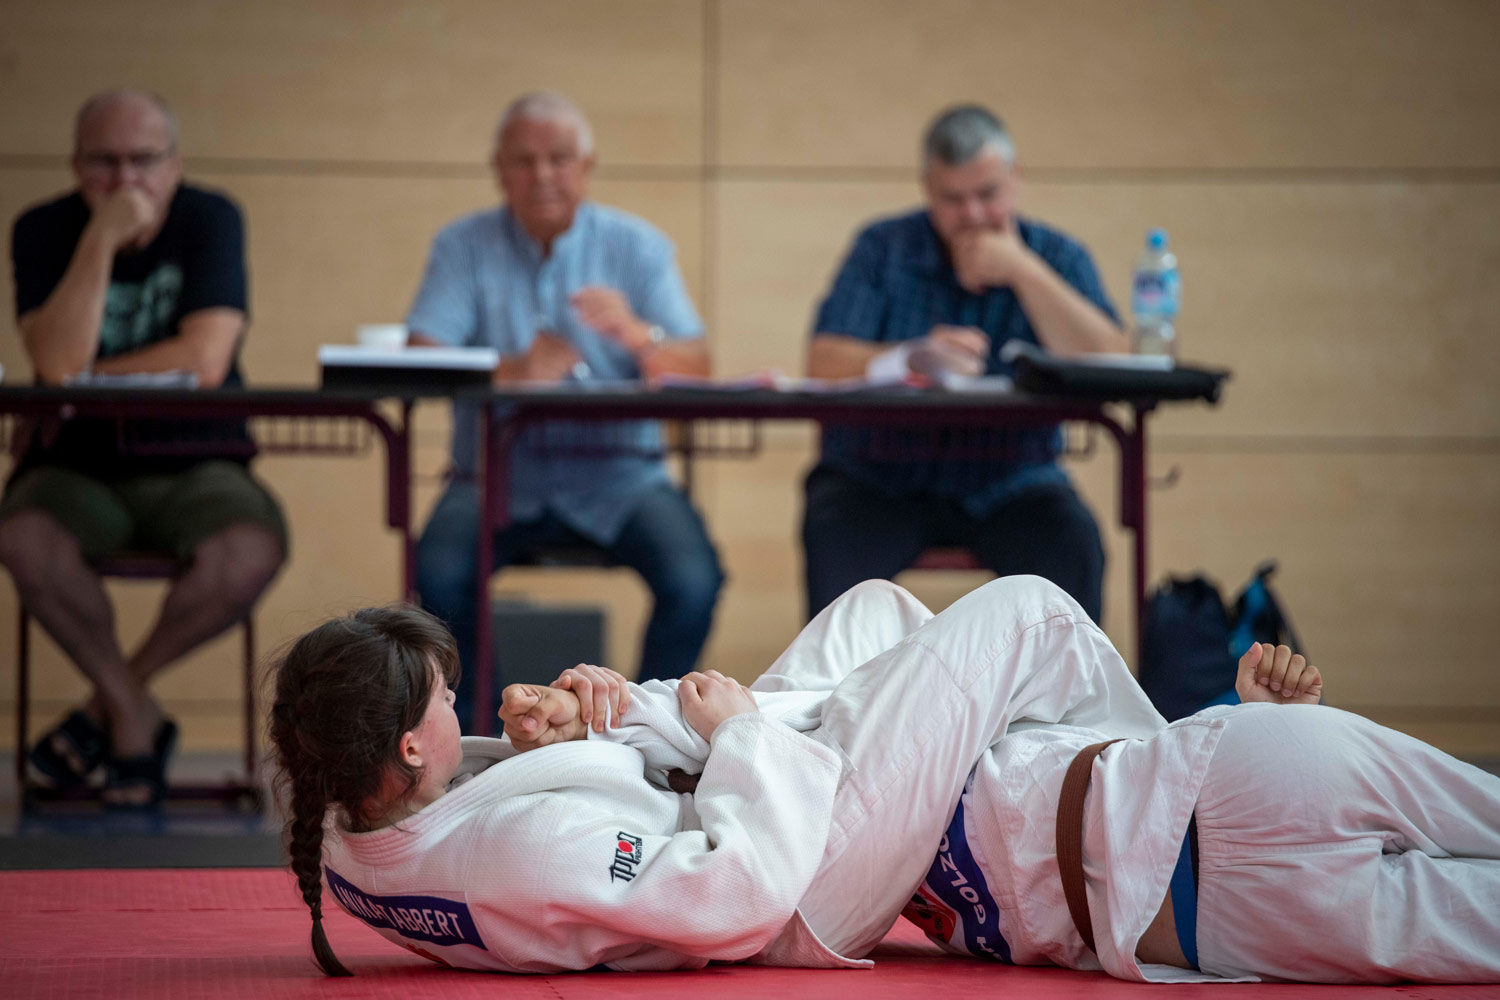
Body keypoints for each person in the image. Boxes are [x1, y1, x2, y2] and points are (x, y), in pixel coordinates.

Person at [269, 577, 1500, 983]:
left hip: (1157, 886)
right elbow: (725, 889)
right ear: (408, 748)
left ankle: (1165, 751)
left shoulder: (355, 828)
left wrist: (592, 731)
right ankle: (1167, 748)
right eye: (442, 701)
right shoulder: (507, 850)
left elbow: (529, 825)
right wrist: (736, 739)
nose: (464, 701)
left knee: (878, 612)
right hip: (800, 877)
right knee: (1026, 610)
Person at [0, 89, 286, 807]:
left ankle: (110, 704)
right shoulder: (42, 228)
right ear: (76, 166)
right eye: (105, 162)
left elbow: (207, 359)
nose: (125, 179)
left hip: (199, 457)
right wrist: (100, 239)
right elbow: (55, 361)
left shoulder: (209, 218)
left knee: (249, 549)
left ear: (174, 163)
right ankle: (133, 718)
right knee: (26, 540)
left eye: (143, 160)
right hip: (74, 465)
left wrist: (86, 377)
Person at [407, 90, 723, 727]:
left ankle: (641, 729)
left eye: (559, 158)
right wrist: (510, 371)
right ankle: (481, 737)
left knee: (695, 580)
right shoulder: (463, 245)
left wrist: (639, 336)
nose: (543, 174)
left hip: (623, 478)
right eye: (524, 161)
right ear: (500, 170)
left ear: (587, 166)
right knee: (436, 574)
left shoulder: (639, 246)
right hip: (493, 477)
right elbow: (420, 359)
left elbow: (697, 366)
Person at [802, 104, 1128, 622]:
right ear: (927, 189)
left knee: (1074, 544)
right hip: (879, 477)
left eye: (987, 194)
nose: (973, 214)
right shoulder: (882, 250)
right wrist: (907, 357)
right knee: (833, 537)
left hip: (1015, 479)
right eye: (953, 199)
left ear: (1016, 179)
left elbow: (1114, 363)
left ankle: (1064, 681)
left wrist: (1024, 272)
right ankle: (844, 681)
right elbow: (821, 362)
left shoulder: (1057, 256)